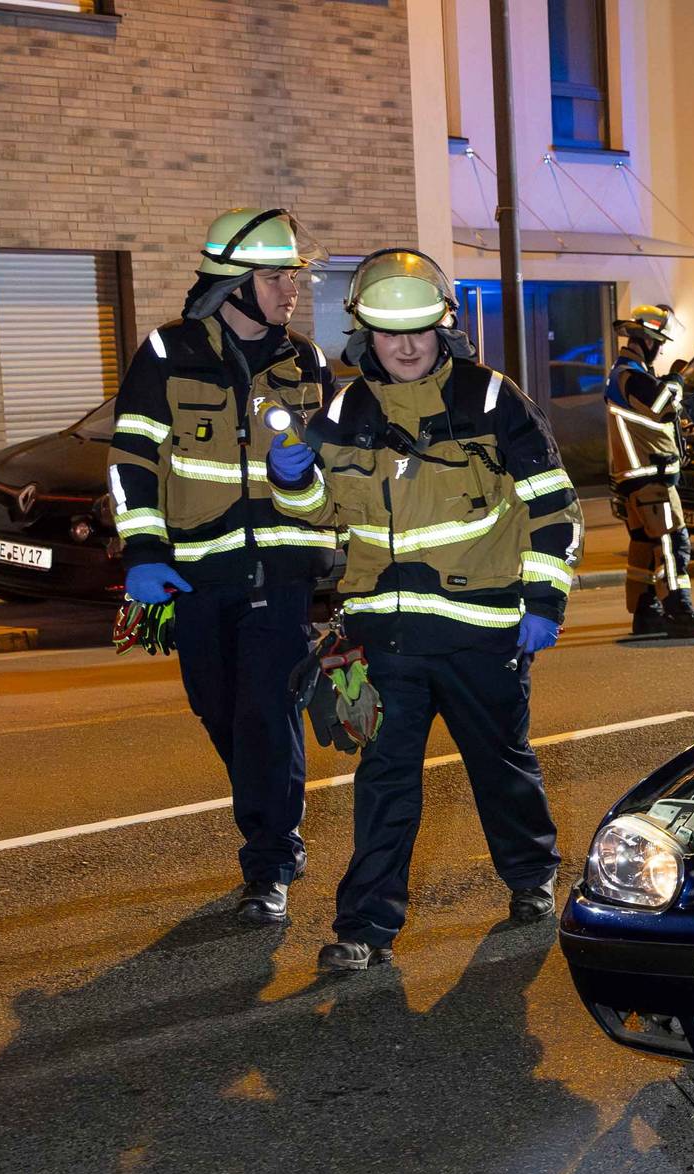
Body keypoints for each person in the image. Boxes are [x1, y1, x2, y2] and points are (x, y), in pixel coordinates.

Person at [266, 249, 583, 972]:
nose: (405, 346)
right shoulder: (346, 411)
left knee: (500, 765)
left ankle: (531, 878)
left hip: (483, 630)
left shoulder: (493, 399)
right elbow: (325, 512)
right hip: (385, 637)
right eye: (388, 332)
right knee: (384, 781)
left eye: (418, 330)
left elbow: (552, 506)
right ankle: (364, 930)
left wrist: (544, 598)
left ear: (445, 326)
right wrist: (292, 480)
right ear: (364, 334)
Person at [107, 208, 339, 927]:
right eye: (276, 278)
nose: (290, 291)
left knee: (266, 713)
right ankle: (272, 827)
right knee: (218, 709)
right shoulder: (167, 354)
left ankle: (270, 860)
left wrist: (325, 514)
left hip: (282, 573)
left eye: (293, 277)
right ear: (233, 284)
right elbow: (132, 459)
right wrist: (143, 553)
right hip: (197, 576)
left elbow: (337, 474)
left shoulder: (306, 361)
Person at [605, 305, 694, 639]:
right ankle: (679, 612)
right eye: (659, 342)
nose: (661, 349)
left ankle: (646, 614)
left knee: (644, 547)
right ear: (646, 340)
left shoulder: (628, 374)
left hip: (639, 478)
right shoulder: (631, 376)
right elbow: (660, 405)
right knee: (672, 543)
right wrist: (677, 381)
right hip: (650, 478)